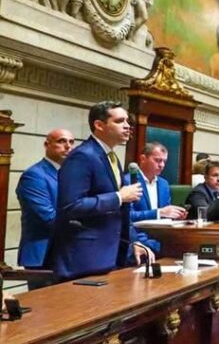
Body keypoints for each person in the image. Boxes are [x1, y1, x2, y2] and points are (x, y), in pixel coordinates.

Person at [47, 101, 150, 281]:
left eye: (127, 121)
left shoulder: (111, 156)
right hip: (85, 259)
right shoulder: (82, 156)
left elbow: (120, 210)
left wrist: (134, 240)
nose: (127, 126)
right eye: (119, 121)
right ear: (99, 125)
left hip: (111, 254)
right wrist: (119, 196)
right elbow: (71, 205)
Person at [17, 128, 74, 278]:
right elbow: (48, 217)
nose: (68, 146)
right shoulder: (34, 176)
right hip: (42, 255)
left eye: (71, 142)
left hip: (66, 253)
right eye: (61, 141)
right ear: (46, 145)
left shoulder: (70, 174)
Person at [130, 142, 189, 251]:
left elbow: (165, 212)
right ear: (143, 159)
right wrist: (159, 213)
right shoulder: (129, 181)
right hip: (136, 239)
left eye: (164, 161)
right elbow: (127, 216)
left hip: (162, 238)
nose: (162, 165)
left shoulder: (164, 184)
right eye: (157, 160)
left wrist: (174, 215)